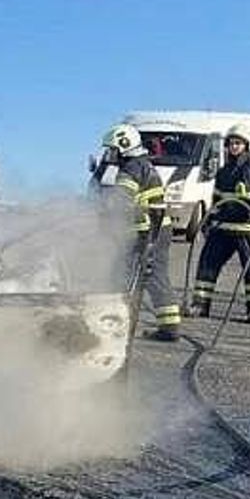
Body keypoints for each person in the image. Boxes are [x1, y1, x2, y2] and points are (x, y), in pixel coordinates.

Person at [93, 123, 181, 341]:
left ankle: (168, 327)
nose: (109, 154)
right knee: (126, 273)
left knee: (151, 274)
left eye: (112, 149)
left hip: (151, 231)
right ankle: (124, 321)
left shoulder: (132, 169)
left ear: (124, 146)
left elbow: (120, 201)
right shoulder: (136, 165)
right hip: (147, 229)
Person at [190, 124, 250, 324]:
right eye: (231, 143)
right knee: (207, 264)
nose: (234, 146)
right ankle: (200, 305)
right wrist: (210, 220)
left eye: (238, 143)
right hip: (223, 228)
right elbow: (217, 199)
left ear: (246, 145)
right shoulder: (224, 172)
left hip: (247, 228)